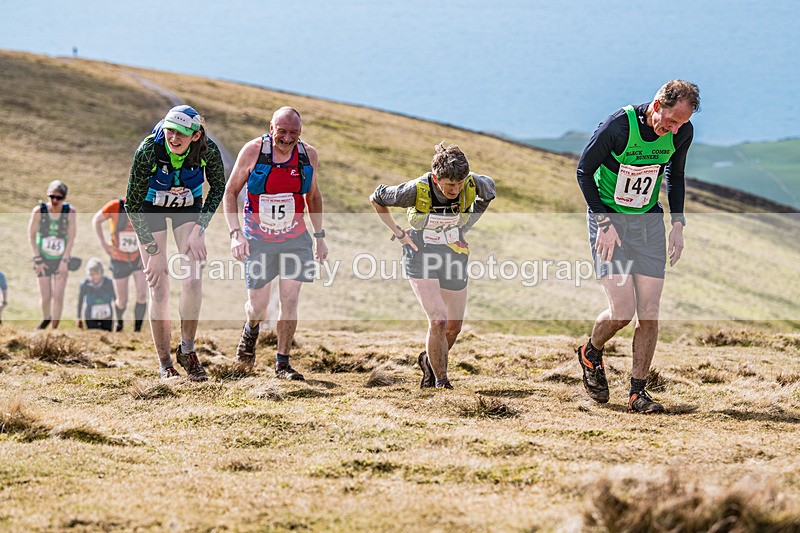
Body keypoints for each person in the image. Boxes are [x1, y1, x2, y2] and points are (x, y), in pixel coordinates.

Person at [575, 80, 700, 414]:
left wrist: (677, 224)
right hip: (609, 222)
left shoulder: (681, 133)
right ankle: (590, 352)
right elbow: (584, 172)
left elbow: (676, 175)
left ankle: (637, 393)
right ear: (657, 105)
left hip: (648, 224)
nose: (674, 130)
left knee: (649, 311)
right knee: (621, 312)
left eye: (681, 124)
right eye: (671, 121)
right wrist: (603, 222)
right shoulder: (618, 126)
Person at [370, 141, 496, 389]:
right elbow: (377, 197)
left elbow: (489, 193)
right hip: (420, 252)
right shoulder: (414, 189)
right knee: (438, 321)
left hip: (454, 253)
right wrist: (398, 233)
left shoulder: (475, 183)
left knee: (453, 328)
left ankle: (430, 361)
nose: (455, 190)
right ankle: (441, 381)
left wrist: (466, 225)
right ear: (437, 179)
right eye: (449, 185)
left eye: (459, 184)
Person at [224, 106, 328, 380]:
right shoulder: (253, 151)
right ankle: (251, 329)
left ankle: (282, 363)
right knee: (258, 307)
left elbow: (313, 197)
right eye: (281, 131)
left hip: (295, 238)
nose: (287, 138)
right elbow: (231, 192)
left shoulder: (308, 155)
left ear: (300, 132)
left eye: (294, 132)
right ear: (271, 129)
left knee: (289, 299)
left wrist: (319, 237)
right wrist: (235, 234)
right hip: (258, 239)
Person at [126, 105, 226, 380]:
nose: (173, 137)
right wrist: (153, 251)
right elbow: (132, 204)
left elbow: (218, 187)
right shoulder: (148, 150)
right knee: (158, 284)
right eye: (170, 130)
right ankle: (165, 364)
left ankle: (187, 350)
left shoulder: (208, 150)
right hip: (150, 207)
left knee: (193, 278)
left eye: (181, 133)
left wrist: (199, 228)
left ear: (196, 135)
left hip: (188, 205)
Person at [27, 180, 77, 330]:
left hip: (61, 259)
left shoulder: (70, 212)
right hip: (42, 258)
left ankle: (54, 328)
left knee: (58, 295)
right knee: (46, 297)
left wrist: (65, 260)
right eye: (51, 196)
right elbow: (31, 235)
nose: (54, 200)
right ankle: (46, 318)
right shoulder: (39, 211)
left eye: (58, 198)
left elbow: (71, 237)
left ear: (64, 198)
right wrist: (37, 258)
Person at [93, 198, 147, 332]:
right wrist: (103, 243)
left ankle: (137, 330)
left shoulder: (145, 205)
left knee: (142, 295)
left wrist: (146, 254)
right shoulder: (115, 206)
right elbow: (96, 220)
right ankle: (119, 322)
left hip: (138, 258)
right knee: (122, 300)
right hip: (118, 259)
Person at [76, 258, 116, 331]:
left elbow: (116, 299)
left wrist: (118, 318)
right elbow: (80, 301)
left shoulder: (109, 283)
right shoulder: (85, 285)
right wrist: (79, 317)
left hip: (107, 317)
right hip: (90, 316)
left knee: (107, 333)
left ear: (102, 273)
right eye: (92, 274)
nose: (95, 277)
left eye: (97, 274)